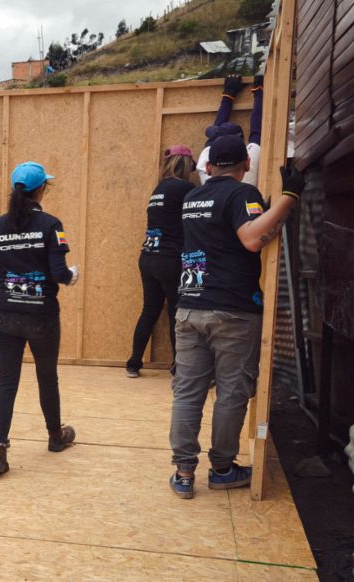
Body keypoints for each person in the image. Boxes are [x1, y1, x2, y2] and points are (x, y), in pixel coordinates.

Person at [169, 135, 304, 499]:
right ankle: (223, 468)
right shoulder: (243, 195)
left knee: (187, 392)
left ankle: (183, 472)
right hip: (232, 310)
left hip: (189, 308)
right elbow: (252, 238)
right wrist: (288, 198)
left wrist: (268, 209)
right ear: (245, 165)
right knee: (231, 392)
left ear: (209, 166)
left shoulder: (192, 198)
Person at [0, 162, 79, 475]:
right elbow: (60, 274)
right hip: (42, 318)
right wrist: (72, 276)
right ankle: (55, 436)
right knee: (46, 375)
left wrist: (4, 300)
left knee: (6, 382)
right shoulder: (51, 225)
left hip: (4, 316)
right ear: (42, 189)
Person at [125, 146, 197, 378]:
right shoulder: (186, 189)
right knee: (176, 312)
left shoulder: (158, 190)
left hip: (148, 257)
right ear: (186, 165)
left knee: (150, 310)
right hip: (170, 259)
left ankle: (134, 363)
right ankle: (179, 367)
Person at [197, 74, 264, 186]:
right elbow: (256, 131)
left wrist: (228, 94)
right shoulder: (248, 166)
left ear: (209, 167)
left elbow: (215, 135)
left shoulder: (203, 168)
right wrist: (259, 91)